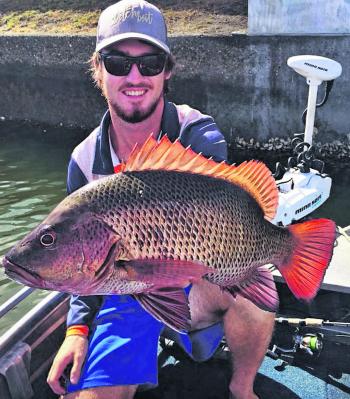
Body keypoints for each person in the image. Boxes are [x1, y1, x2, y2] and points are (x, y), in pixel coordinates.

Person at [47, 1, 275, 398]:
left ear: (167, 71)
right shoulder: (82, 162)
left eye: (149, 63)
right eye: (118, 62)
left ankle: (243, 389)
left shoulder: (198, 134)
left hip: (197, 281)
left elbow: (226, 213)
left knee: (257, 280)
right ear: (97, 70)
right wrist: (77, 329)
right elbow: (81, 260)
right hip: (126, 291)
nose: (135, 76)